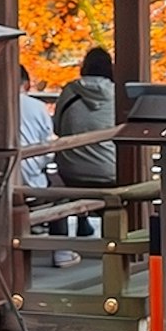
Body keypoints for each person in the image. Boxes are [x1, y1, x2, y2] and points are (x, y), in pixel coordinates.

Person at [45, 46, 120, 267]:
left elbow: (58, 127)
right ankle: (117, 245)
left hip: (71, 171)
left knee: (55, 187)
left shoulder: (69, 91)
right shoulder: (118, 95)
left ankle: (61, 247)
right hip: (111, 172)